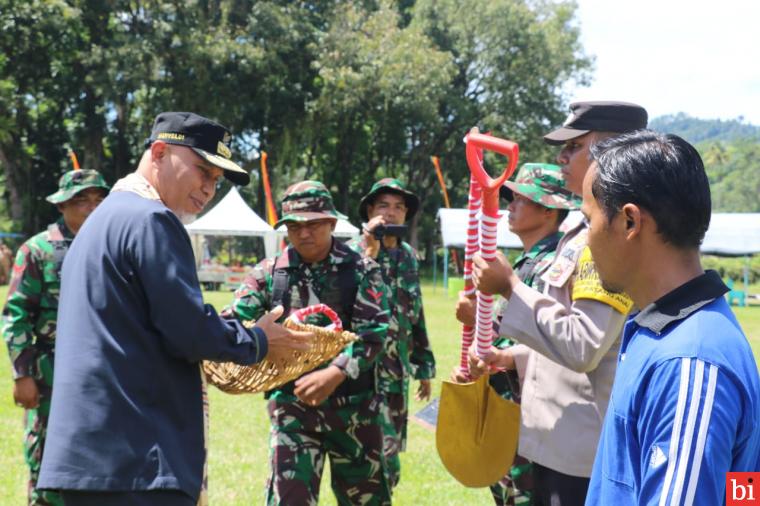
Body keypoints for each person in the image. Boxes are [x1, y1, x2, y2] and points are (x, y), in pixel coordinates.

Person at [37, 112, 310, 506]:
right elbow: (187, 331)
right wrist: (258, 340)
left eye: (217, 180)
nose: (208, 188)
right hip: (139, 459)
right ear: (160, 152)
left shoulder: (99, 223)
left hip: (89, 461)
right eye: (203, 170)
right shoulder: (152, 220)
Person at [468, 101, 647, 505]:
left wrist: (512, 287)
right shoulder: (584, 230)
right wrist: (514, 357)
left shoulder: (609, 235)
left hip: (581, 452)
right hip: (558, 441)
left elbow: (584, 346)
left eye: (574, 146)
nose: (560, 157)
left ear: (610, 150)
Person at [581, 131, 760, 505]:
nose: (586, 241)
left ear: (630, 222)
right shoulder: (661, 331)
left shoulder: (690, 361)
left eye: (589, 221)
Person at [224, 180, 392, 506]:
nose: (303, 234)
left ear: (331, 222)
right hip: (292, 412)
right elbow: (232, 320)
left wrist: (337, 372)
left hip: (354, 413)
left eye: (313, 224)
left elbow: (374, 333)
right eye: (294, 226)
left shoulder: (360, 270)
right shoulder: (269, 273)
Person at [455, 163, 580, 505]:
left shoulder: (553, 265)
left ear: (548, 208)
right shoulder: (527, 264)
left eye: (521, 199)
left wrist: (484, 326)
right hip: (508, 407)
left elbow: (549, 337)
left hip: (532, 416)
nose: (510, 205)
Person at [2, 169, 109, 506]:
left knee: (101, 469)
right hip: (51, 377)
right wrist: (23, 375)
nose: (92, 208)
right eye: (81, 201)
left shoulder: (111, 247)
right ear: (62, 205)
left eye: (98, 200)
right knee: (48, 468)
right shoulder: (37, 250)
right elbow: (15, 316)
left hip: (104, 377)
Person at [351, 177, 436, 490]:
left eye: (399, 207)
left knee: (390, 455)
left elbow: (416, 315)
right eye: (383, 205)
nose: (391, 212)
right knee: (369, 458)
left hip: (396, 372)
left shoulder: (409, 256)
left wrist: (423, 367)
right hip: (360, 373)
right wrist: (369, 252)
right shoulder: (352, 254)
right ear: (370, 210)